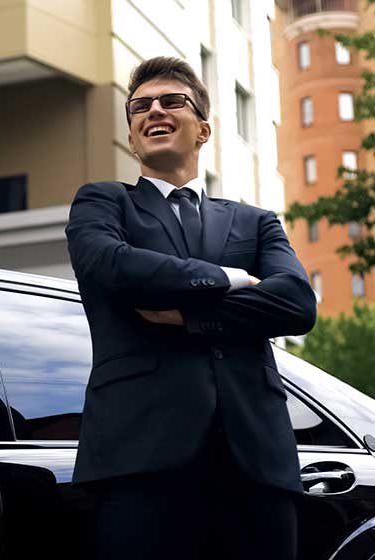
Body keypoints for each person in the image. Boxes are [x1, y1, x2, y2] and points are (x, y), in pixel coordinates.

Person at [65, 56, 316, 559]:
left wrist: (192, 315)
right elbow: (111, 265)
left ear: (202, 130)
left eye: (170, 101)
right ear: (133, 138)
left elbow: (295, 303)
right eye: (139, 107)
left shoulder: (256, 221)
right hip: (140, 466)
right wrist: (230, 279)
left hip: (257, 466)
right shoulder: (103, 203)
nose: (152, 110)